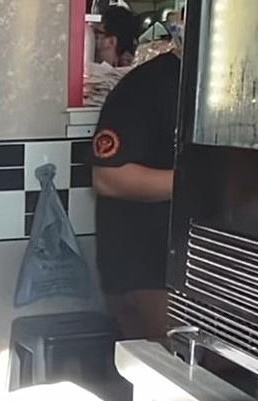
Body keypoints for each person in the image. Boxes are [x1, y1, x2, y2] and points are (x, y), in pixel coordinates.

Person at [90, 16, 182, 341]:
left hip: (203, 269)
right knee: (174, 377)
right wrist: (200, 184)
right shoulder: (145, 87)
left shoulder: (225, 90)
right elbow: (109, 177)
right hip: (145, 271)